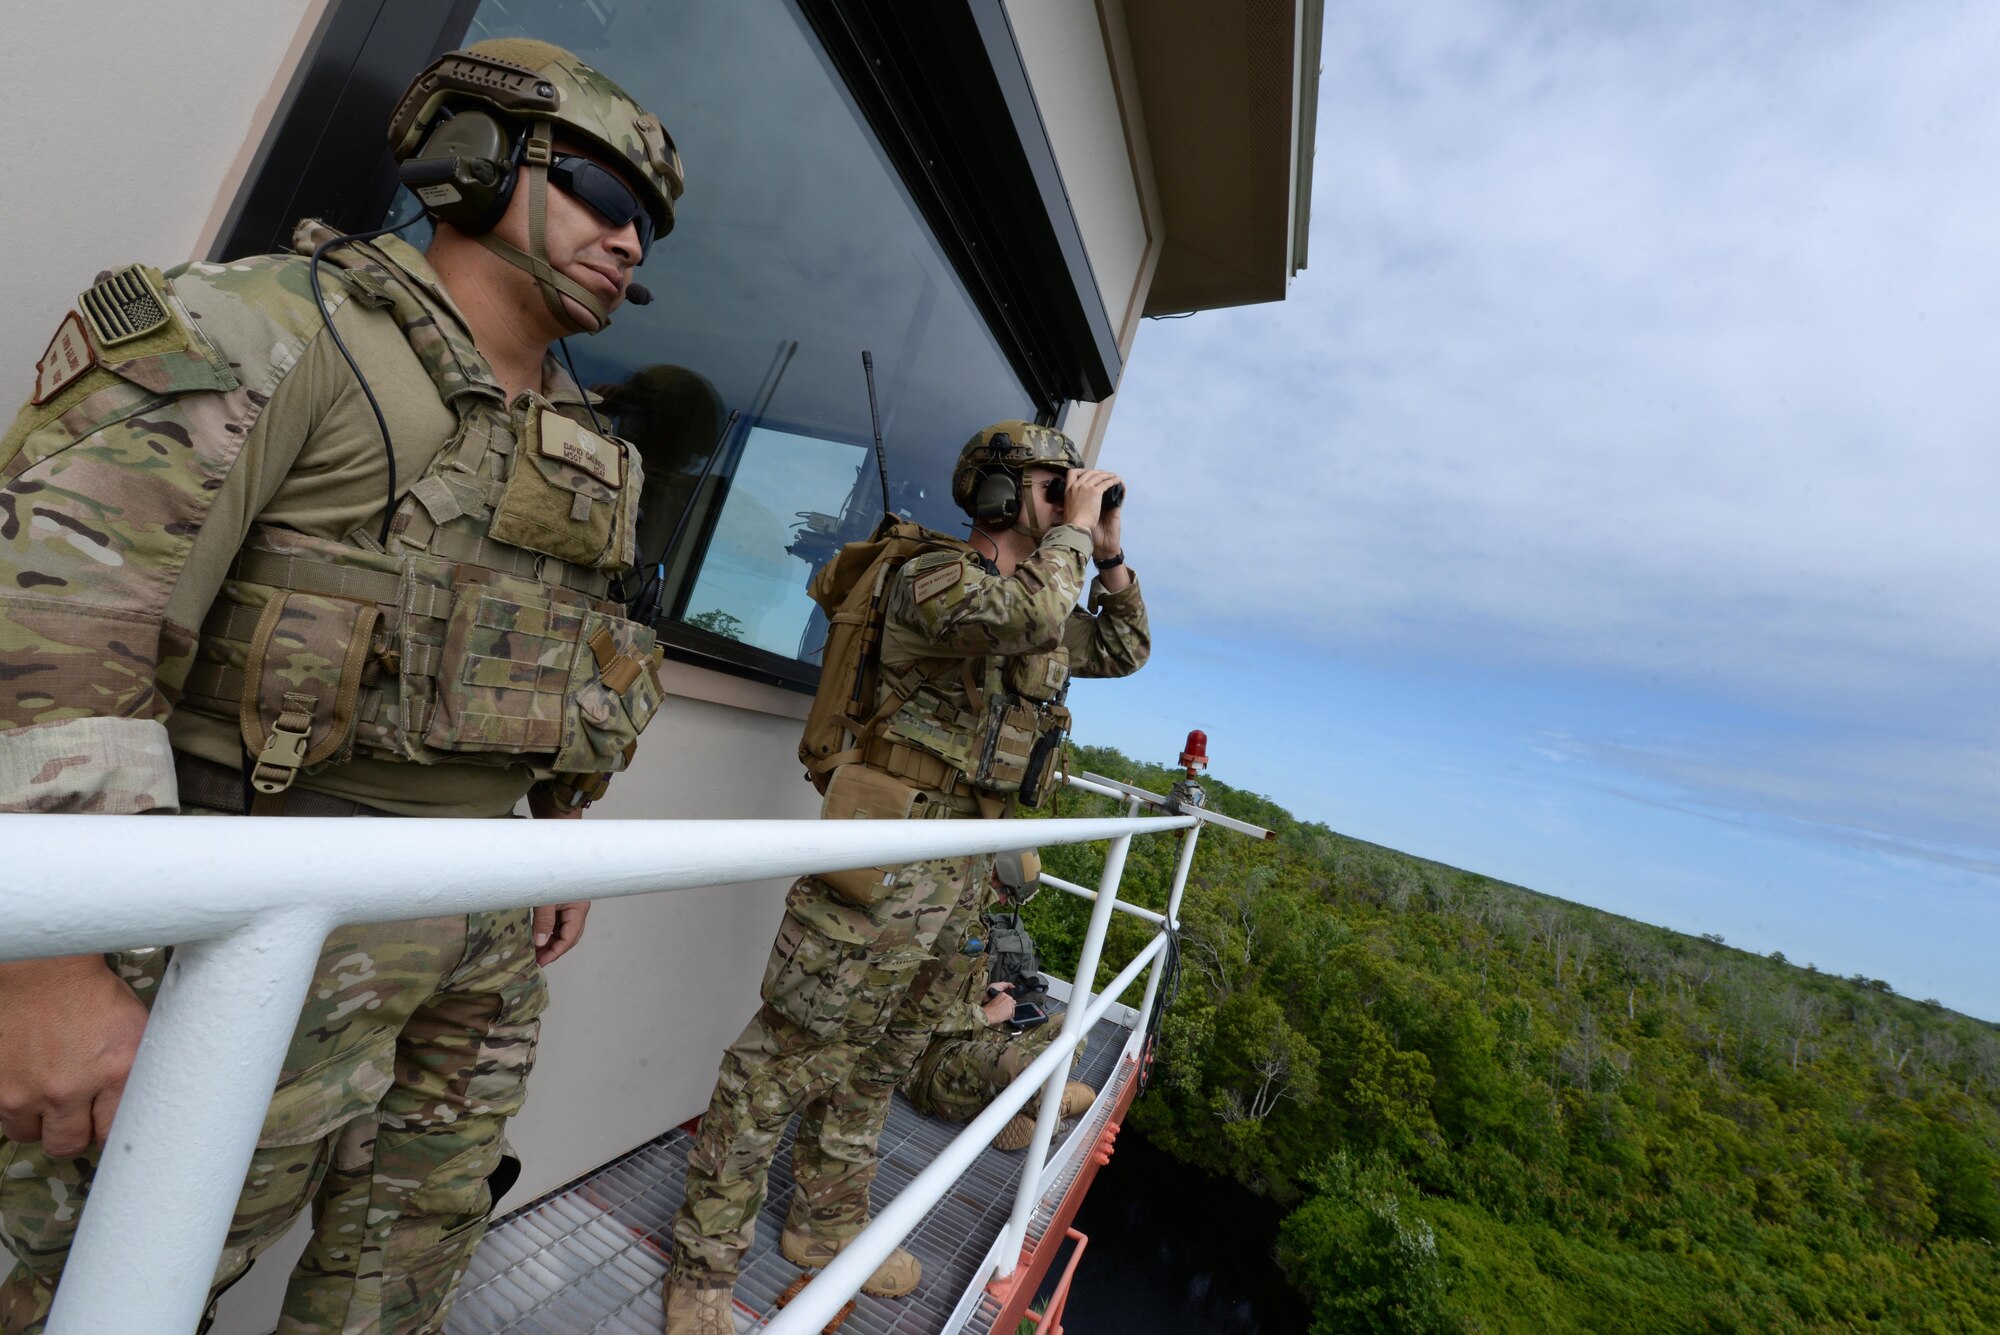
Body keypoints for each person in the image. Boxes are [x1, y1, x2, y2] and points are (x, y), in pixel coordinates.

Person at [0, 38, 681, 1334]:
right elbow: (56, 605)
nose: (633, 239)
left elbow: (568, 647)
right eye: (606, 194)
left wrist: (560, 824)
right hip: (236, 912)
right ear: (476, 161)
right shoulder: (277, 327)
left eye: (651, 221)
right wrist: (40, 962)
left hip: (471, 928)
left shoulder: (586, 444)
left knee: (406, 1263)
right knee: (101, 1280)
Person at [664, 421, 1149, 1334]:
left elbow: (1122, 650)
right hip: (888, 846)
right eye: (1054, 487)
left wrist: (1112, 557)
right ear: (1003, 494)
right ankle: (701, 1270)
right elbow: (1033, 616)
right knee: (786, 1056)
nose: (1070, 502)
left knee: (886, 1052)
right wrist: (1074, 540)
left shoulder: (1043, 591)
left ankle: (825, 1224)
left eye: (1072, 491)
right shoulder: (930, 578)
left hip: (964, 863)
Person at [897, 857, 1095, 1152]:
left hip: (971, 1033)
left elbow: (947, 990)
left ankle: (1011, 1097)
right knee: (1012, 1063)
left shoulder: (971, 920)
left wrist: (984, 992)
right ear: (993, 873)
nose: (1003, 902)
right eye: (1005, 892)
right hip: (929, 1059)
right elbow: (911, 1015)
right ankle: (1051, 1108)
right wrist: (985, 1014)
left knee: (1073, 1025)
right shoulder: (937, 918)